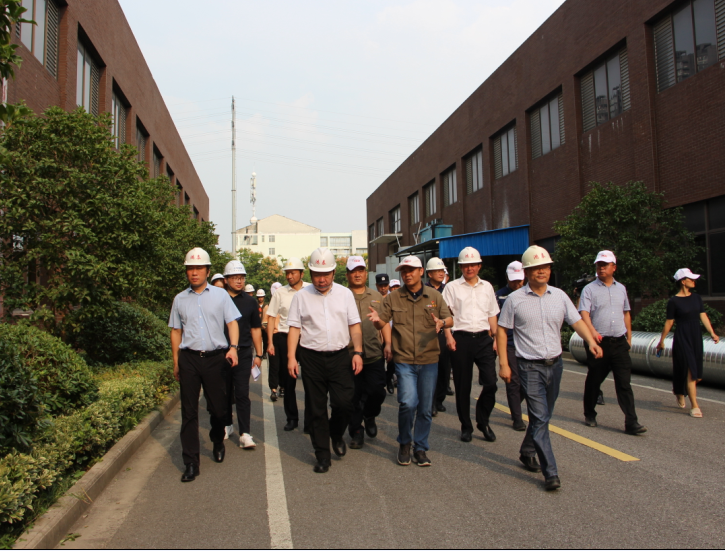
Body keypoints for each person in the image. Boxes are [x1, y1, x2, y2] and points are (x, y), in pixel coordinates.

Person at [497, 245, 603, 491]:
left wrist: (590, 341)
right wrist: (504, 364)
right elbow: (502, 330)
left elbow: (576, 321)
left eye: (545, 267)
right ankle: (551, 472)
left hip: (555, 365)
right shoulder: (514, 300)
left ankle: (527, 450)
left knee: (543, 416)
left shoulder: (560, 296)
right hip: (529, 366)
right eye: (536, 268)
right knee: (540, 416)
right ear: (526, 272)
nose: (541, 271)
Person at [368, 255, 453, 467]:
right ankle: (405, 443)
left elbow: (450, 319)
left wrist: (442, 323)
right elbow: (382, 322)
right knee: (407, 402)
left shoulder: (434, 296)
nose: (407, 274)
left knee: (425, 408)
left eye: (411, 270)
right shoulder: (393, 298)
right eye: (404, 271)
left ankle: (420, 448)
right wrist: (377, 321)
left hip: (429, 360)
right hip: (404, 359)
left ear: (421, 271)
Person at [287, 247, 364, 473]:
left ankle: (336, 434)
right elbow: (294, 328)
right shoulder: (301, 297)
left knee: (344, 403)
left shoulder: (345, 294)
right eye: (317, 274)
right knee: (317, 409)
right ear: (310, 273)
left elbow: (354, 325)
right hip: (311, 358)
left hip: (340, 357)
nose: (322, 279)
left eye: (326, 274)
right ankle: (322, 455)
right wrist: (291, 357)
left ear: (333, 272)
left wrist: (358, 352)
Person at [168, 248, 241, 483]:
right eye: (190, 268)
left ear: (208, 271)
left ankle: (218, 439)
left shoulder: (221, 296)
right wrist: (176, 362)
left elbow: (232, 323)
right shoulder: (180, 299)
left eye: (199, 268)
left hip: (215, 359)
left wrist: (233, 347)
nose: (194, 272)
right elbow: (176, 331)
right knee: (188, 412)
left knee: (219, 409)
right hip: (189, 359)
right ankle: (191, 462)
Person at [579, 251, 646, 435]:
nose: (601, 268)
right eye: (598, 265)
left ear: (613, 267)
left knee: (624, 383)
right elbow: (584, 313)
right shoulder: (589, 289)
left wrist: (629, 338)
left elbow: (626, 313)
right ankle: (590, 413)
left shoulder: (621, 289)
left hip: (619, 342)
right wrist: (592, 332)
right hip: (599, 343)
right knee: (594, 380)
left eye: (605, 265)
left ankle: (631, 422)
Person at [442, 247, 500, 443]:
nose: (470, 268)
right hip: (461, 339)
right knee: (462, 386)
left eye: (473, 265)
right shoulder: (452, 287)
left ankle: (483, 421)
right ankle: (466, 426)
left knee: (491, 383)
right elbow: (445, 315)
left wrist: (495, 339)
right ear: (460, 267)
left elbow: (492, 314)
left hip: (484, 339)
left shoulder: (487, 287)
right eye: (466, 265)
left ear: (479, 266)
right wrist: (448, 337)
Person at [657, 268, 719, 418]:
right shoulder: (674, 301)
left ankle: (679, 390)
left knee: (697, 374)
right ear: (683, 282)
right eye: (691, 279)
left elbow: (703, 316)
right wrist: (661, 341)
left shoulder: (696, 298)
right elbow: (669, 322)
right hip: (682, 337)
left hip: (695, 336)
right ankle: (695, 406)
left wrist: (712, 332)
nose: (694, 281)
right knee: (691, 371)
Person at [345, 256, 391, 449]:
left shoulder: (377, 296)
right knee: (352, 397)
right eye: (353, 271)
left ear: (366, 274)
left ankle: (370, 415)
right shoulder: (341, 296)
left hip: (374, 354)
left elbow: (384, 321)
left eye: (361, 270)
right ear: (347, 274)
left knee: (377, 392)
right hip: (348, 356)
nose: (357, 274)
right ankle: (356, 431)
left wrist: (388, 343)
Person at [222, 260, 263, 449]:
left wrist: (259, 354)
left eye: (242, 277)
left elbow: (255, 329)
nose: (239, 281)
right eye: (235, 277)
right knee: (223, 392)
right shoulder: (219, 299)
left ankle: (245, 433)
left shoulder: (250, 302)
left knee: (242, 393)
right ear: (226, 279)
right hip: (222, 353)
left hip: (244, 352)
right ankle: (226, 424)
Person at [267, 258, 311, 430]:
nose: (289, 276)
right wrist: (270, 342)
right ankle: (292, 418)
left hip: (307, 339)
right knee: (289, 380)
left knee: (310, 381)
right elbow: (271, 316)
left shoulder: (311, 289)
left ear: (301, 273)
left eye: (293, 273)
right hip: (285, 338)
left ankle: (310, 421)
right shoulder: (280, 293)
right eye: (287, 273)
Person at [495, 261, 527, 431]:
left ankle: (515, 404)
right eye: (514, 280)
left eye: (520, 280)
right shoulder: (500, 296)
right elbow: (495, 320)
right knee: (513, 381)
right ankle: (517, 418)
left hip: (527, 344)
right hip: (508, 343)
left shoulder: (529, 294)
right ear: (507, 278)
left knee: (526, 382)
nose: (517, 284)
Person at [425, 257, 451, 416]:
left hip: (445, 332)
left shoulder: (448, 289)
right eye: (437, 271)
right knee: (431, 369)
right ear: (429, 274)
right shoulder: (424, 290)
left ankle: (440, 399)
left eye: (442, 271)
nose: (441, 273)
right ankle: (431, 402)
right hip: (429, 334)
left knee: (444, 368)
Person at [376, 273, 396, 395]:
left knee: (392, 361)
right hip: (378, 336)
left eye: (385, 285)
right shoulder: (374, 298)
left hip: (393, 335)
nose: (383, 288)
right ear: (376, 285)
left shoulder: (394, 298)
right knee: (379, 361)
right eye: (380, 285)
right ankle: (382, 382)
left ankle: (389, 380)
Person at [257, 289, 269, 362]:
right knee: (258, 340)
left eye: (261, 297)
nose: (260, 298)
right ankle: (259, 353)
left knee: (265, 341)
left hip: (264, 326)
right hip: (257, 326)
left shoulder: (267, 306)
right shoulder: (255, 305)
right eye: (259, 297)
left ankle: (264, 353)